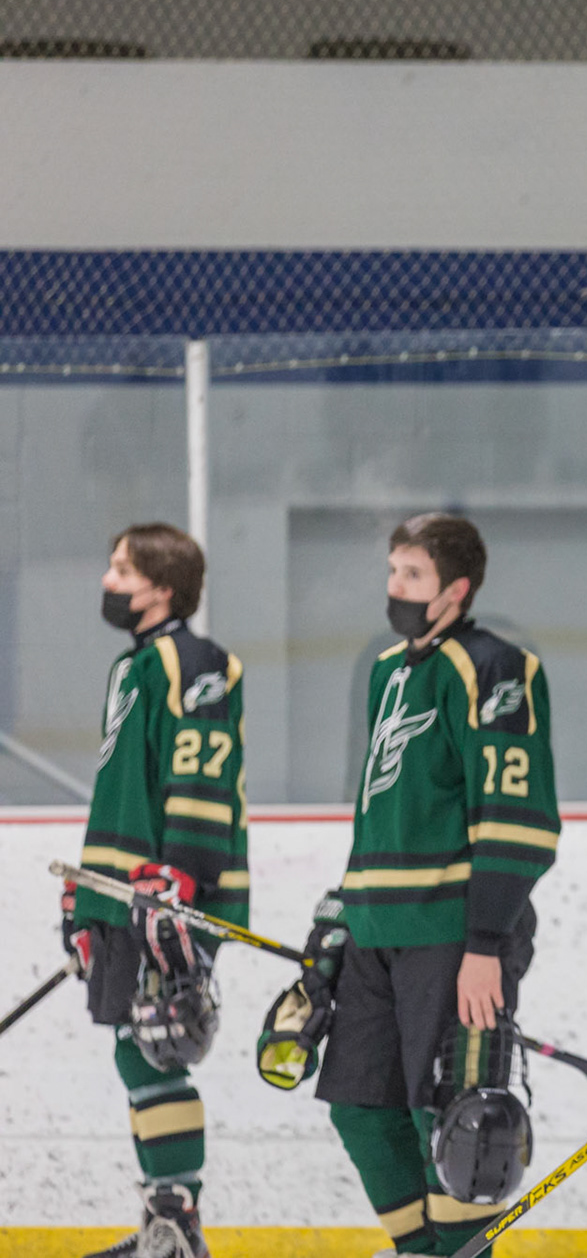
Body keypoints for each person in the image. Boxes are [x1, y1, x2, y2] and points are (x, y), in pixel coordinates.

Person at [316, 513, 558, 1256]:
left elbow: (517, 819)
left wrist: (485, 943)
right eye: (392, 571)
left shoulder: (495, 669)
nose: (395, 587)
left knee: (457, 1121)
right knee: (360, 1106)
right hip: (376, 932)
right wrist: (339, 914)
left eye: (413, 575)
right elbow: (378, 810)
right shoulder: (389, 671)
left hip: (452, 935)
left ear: (457, 589)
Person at [65, 524, 246, 1258]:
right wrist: (88, 898)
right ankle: (164, 1222)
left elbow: (202, 772)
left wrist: (180, 881)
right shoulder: (132, 664)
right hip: (127, 895)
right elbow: (122, 794)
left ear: (162, 588)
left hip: (168, 896)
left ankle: (177, 1225)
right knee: (134, 1049)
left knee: (156, 1048)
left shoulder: (194, 663)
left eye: (121, 569)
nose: (108, 581)